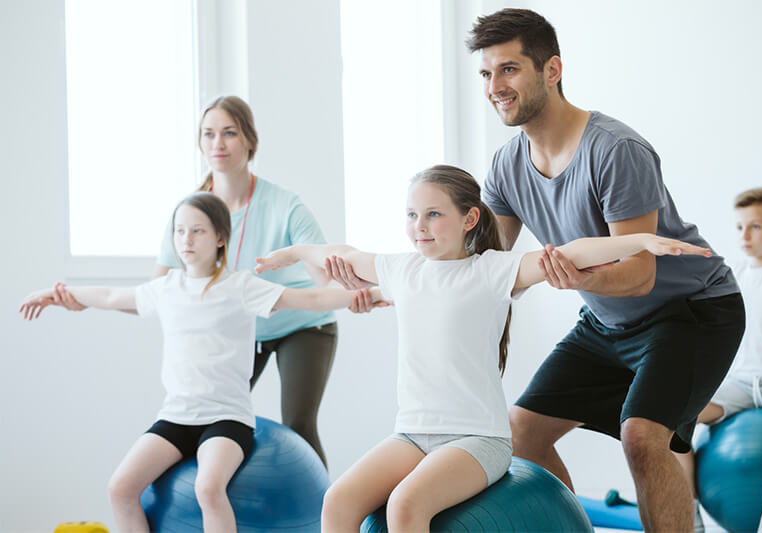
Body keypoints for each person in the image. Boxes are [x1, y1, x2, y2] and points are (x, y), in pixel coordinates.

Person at [255, 165, 714, 533]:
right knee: (337, 501)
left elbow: (572, 253)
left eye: (433, 214)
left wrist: (640, 241)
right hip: (412, 435)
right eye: (412, 215)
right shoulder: (402, 270)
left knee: (405, 506)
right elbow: (339, 253)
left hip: (478, 440)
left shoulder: (492, 271)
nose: (420, 227)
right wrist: (294, 253)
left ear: (469, 219)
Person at [461, 8, 746, 531]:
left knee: (642, 436)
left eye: (509, 69)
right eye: (486, 73)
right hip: (608, 321)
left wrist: (576, 276)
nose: (494, 87)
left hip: (692, 312)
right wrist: (405, 285)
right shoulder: (505, 166)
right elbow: (489, 269)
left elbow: (640, 273)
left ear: (551, 70)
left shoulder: (615, 150)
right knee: (521, 433)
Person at [19, 193, 370, 532]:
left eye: (197, 230)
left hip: (226, 419)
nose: (186, 239)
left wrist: (369, 293)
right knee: (120, 488)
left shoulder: (241, 287)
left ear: (220, 237)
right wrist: (58, 295)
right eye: (180, 230)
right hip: (176, 417)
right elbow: (111, 296)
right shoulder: (166, 288)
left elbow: (312, 299)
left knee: (208, 488)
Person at [55, 96, 340, 467]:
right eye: (208, 134)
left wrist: (336, 282)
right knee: (206, 416)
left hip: (301, 324)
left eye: (229, 133)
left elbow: (323, 276)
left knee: (299, 424)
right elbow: (156, 294)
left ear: (249, 140)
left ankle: (324, 504)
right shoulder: (191, 215)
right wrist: (82, 299)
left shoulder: (285, 204)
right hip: (239, 330)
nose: (217, 143)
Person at [676, 188, 762, 533]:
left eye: (755, 227)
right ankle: (688, 511)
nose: (745, 235)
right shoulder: (731, 277)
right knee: (675, 415)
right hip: (741, 382)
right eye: (740, 227)